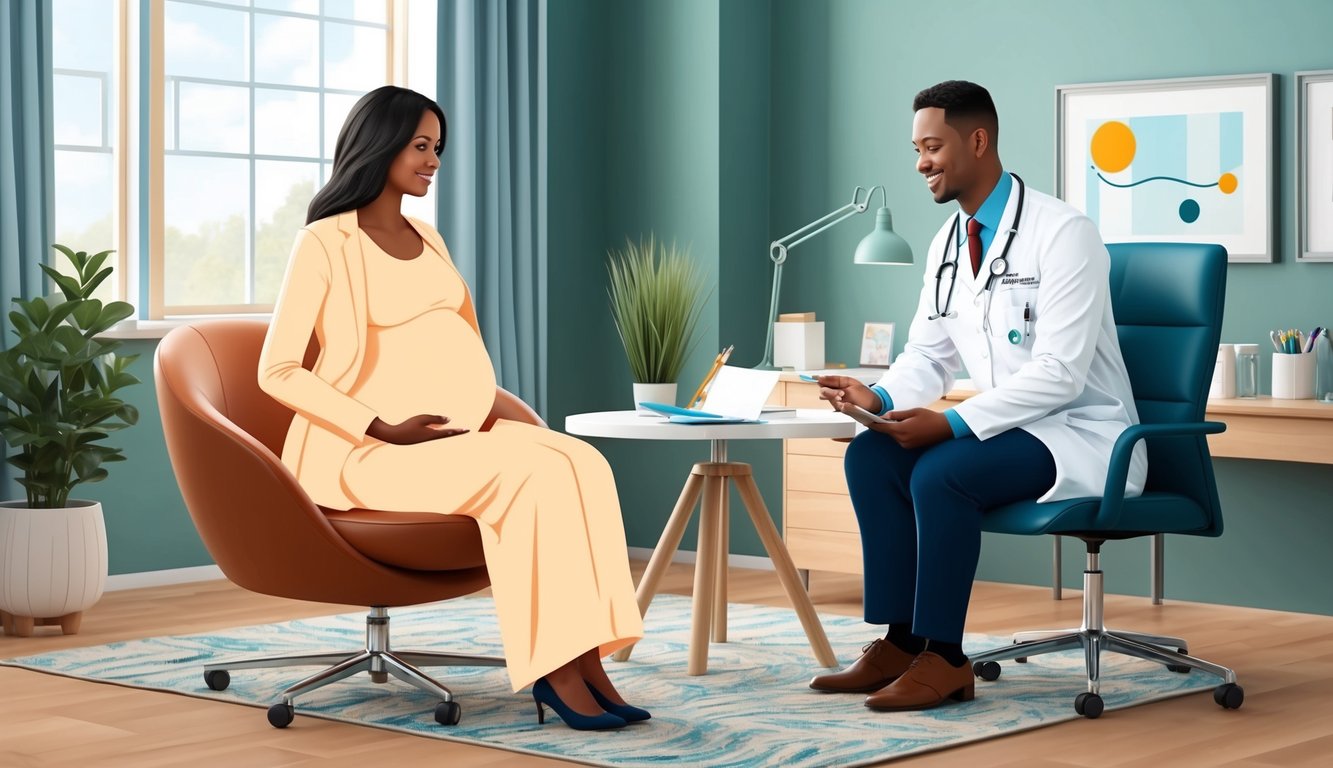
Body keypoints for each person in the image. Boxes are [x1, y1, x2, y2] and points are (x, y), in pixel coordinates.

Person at [257, 85, 648, 731]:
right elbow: (277, 371)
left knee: (580, 460)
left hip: (450, 436)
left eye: (437, 147)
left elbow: (456, 336)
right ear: (379, 145)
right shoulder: (326, 243)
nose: (433, 160)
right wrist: (379, 425)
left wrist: (483, 414)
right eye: (419, 146)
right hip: (366, 452)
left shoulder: (428, 237)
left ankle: (589, 659)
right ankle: (553, 669)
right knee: (535, 475)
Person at [807, 80, 1146, 712]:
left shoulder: (1063, 231)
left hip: (1085, 434)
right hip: (1013, 429)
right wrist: (876, 397)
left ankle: (946, 658)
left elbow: (1060, 373)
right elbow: (930, 355)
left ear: (978, 140)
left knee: (941, 474)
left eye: (932, 146)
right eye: (917, 149)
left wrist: (952, 425)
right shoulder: (947, 244)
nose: (921, 163)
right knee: (871, 458)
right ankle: (902, 640)